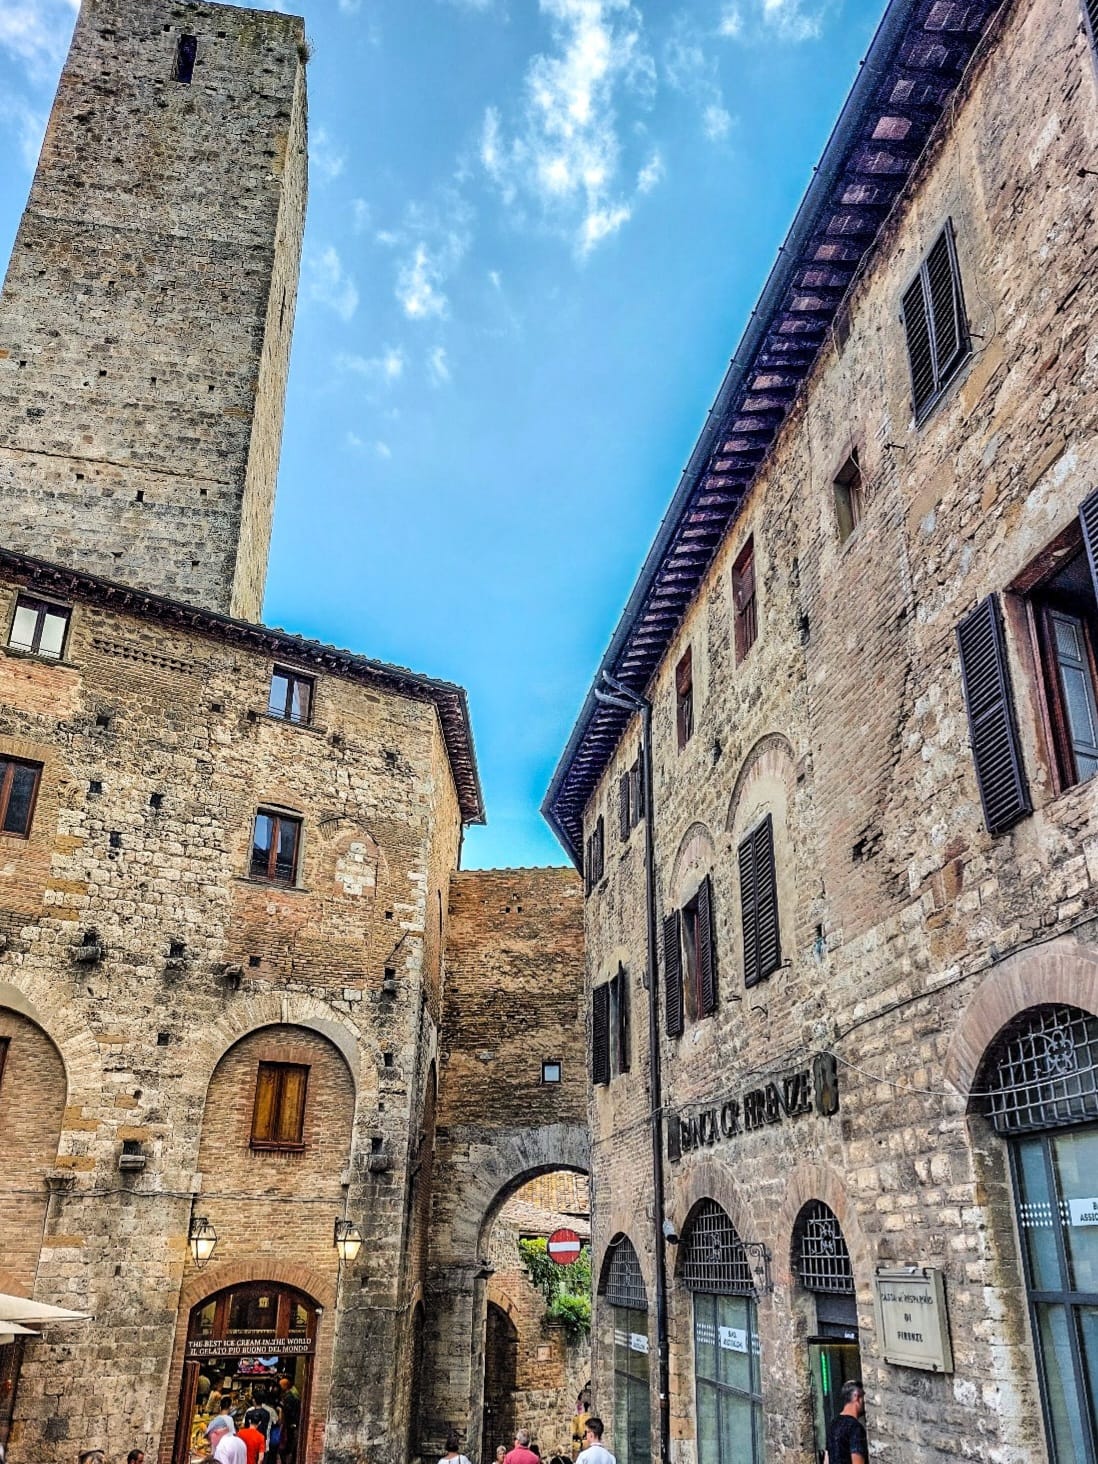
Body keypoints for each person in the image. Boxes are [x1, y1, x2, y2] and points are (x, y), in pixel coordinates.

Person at [824, 1379, 869, 1464]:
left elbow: (826, 1460)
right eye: (863, 1397)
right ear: (856, 1397)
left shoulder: (833, 1424)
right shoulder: (855, 1427)